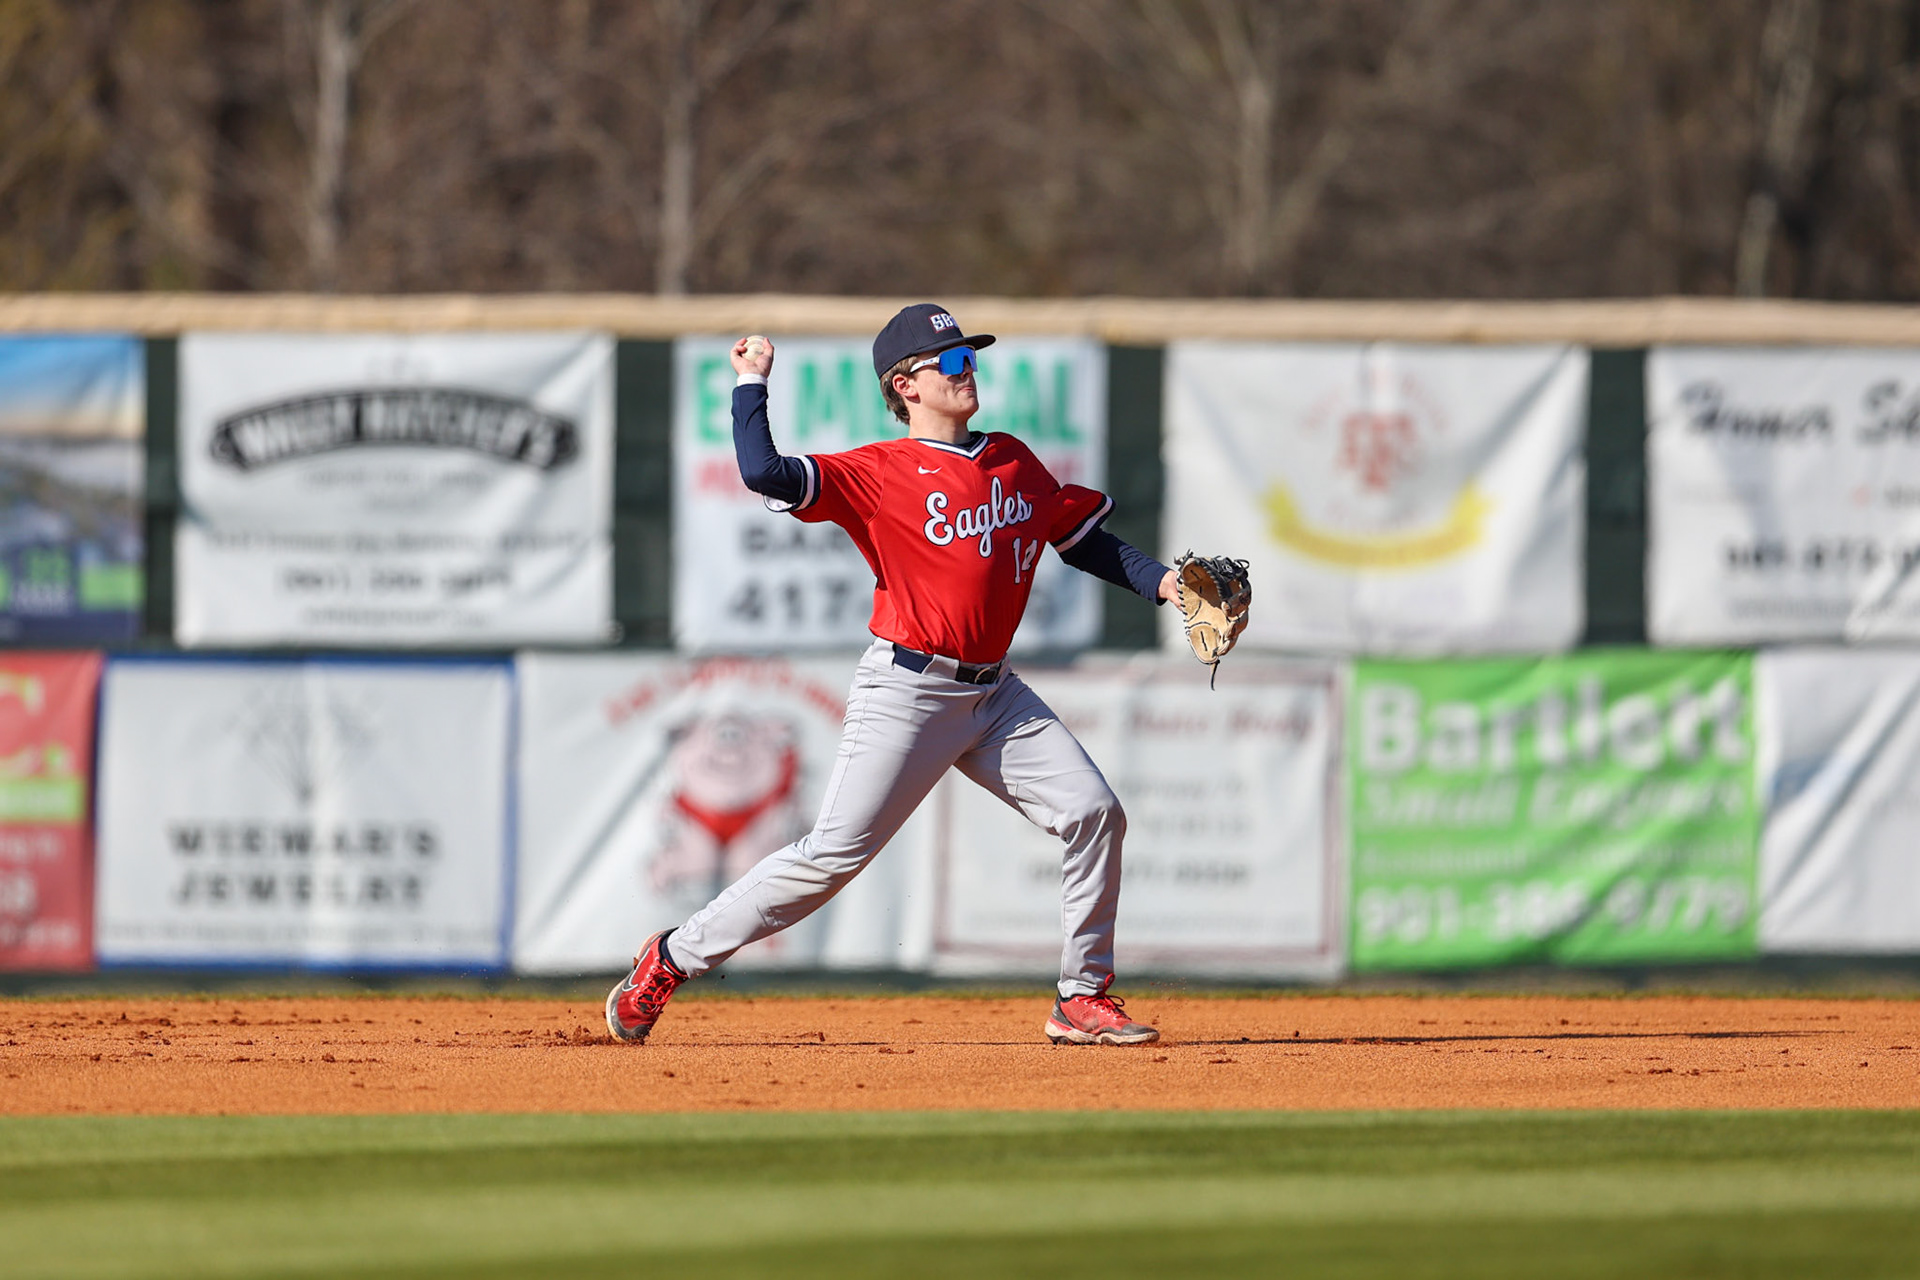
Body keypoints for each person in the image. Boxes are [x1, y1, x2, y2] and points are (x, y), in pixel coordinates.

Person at [607, 304, 1177, 1046]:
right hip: (908, 689)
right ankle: (672, 956)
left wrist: (1165, 584)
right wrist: (752, 382)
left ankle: (1082, 995)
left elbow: (1082, 541)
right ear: (905, 384)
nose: (966, 371)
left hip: (995, 694)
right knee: (828, 859)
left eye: (969, 359)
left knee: (1094, 811)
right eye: (951, 362)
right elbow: (763, 472)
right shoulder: (879, 473)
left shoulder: (1011, 458)